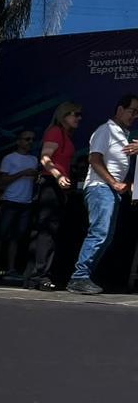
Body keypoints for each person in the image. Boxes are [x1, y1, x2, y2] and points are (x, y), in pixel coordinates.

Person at [68, 95, 138, 295]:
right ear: (120, 110)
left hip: (110, 190)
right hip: (100, 188)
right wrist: (113, 182)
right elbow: (94, 159)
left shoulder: (123, 134)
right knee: (100, 233)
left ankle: (83, 276)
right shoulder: (105, 130)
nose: (135, 116)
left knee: (105, 236)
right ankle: (79, 277)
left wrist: (125, 185)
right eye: (132, 111)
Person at [25, 102, 84, 291]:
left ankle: (34, 275)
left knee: (47, 231)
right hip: (51, 183)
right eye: (75, 114)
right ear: (64, 115)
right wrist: (58, 176)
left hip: (57, 185)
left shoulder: (65, 135)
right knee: (47, 231)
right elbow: (45, 158)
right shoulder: (56, 132)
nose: (79, 118)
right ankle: (40, 275)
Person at [0, 129, 41, 283]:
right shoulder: (9, 158)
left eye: (32, 139)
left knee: (17, 237)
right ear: (19, 141)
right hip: (10, 200)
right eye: (27, 139)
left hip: (26, 202)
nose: (30, 142)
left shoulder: (33, 159)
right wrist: (22, 173)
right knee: (0, 235)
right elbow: (2, 180)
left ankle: (11, 269)